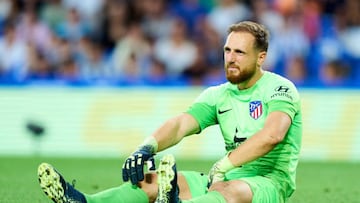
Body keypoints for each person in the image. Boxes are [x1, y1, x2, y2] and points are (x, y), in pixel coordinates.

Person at [38, 21, 302, 203]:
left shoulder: (279, 88)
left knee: (226, 189)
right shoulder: (219, 94)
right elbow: (180, 124)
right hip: (226, 177)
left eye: (240, 52)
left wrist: (225, 163)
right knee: (149, 181)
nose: (231, 58)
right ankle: (85, 201)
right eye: (227, 50)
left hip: (268, 183)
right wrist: (146, 148)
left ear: (261, 57)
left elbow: (272, 136)